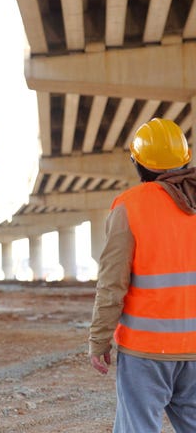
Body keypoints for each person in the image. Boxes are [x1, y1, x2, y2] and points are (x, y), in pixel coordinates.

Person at [89, 117, 196, 432]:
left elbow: (112, 284)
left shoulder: (130, 207)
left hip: (146, 351)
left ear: (139, 164)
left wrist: (99, 340)